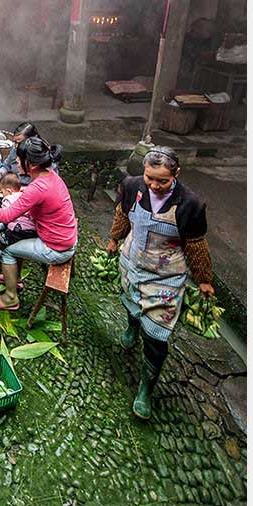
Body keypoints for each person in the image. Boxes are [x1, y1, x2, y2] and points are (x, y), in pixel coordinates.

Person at [106, 146, 215, 420]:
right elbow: (122, 214)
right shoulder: (132, 187)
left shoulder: (190, 204)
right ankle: (131, 327)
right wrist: (113, 238)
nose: (154, 185)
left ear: (176, 174)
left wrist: (204, 279)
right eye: (149, 178)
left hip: (164, 277)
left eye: (162, 181)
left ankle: (146, 388)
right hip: (132, 263)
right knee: (130, 304)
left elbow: (196, 246)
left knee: (156, 335)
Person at [0, 137, 77, 310]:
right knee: (17, 235)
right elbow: (33, 196)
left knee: (7, 250)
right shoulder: (50, 176)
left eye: (18, 158)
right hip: (65, 235)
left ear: (30, 164)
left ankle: (10, 298)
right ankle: (15, 279)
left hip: (57, 247)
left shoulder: (37, 188)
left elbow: (7, 216)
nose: (15, 161)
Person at [0, 122, 57, 188]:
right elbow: (7, 165)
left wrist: (25, 189)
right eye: (15, 142)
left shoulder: (40, 155)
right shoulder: (15, 148)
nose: (16, 146)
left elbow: (45, 185)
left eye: (19, 143)